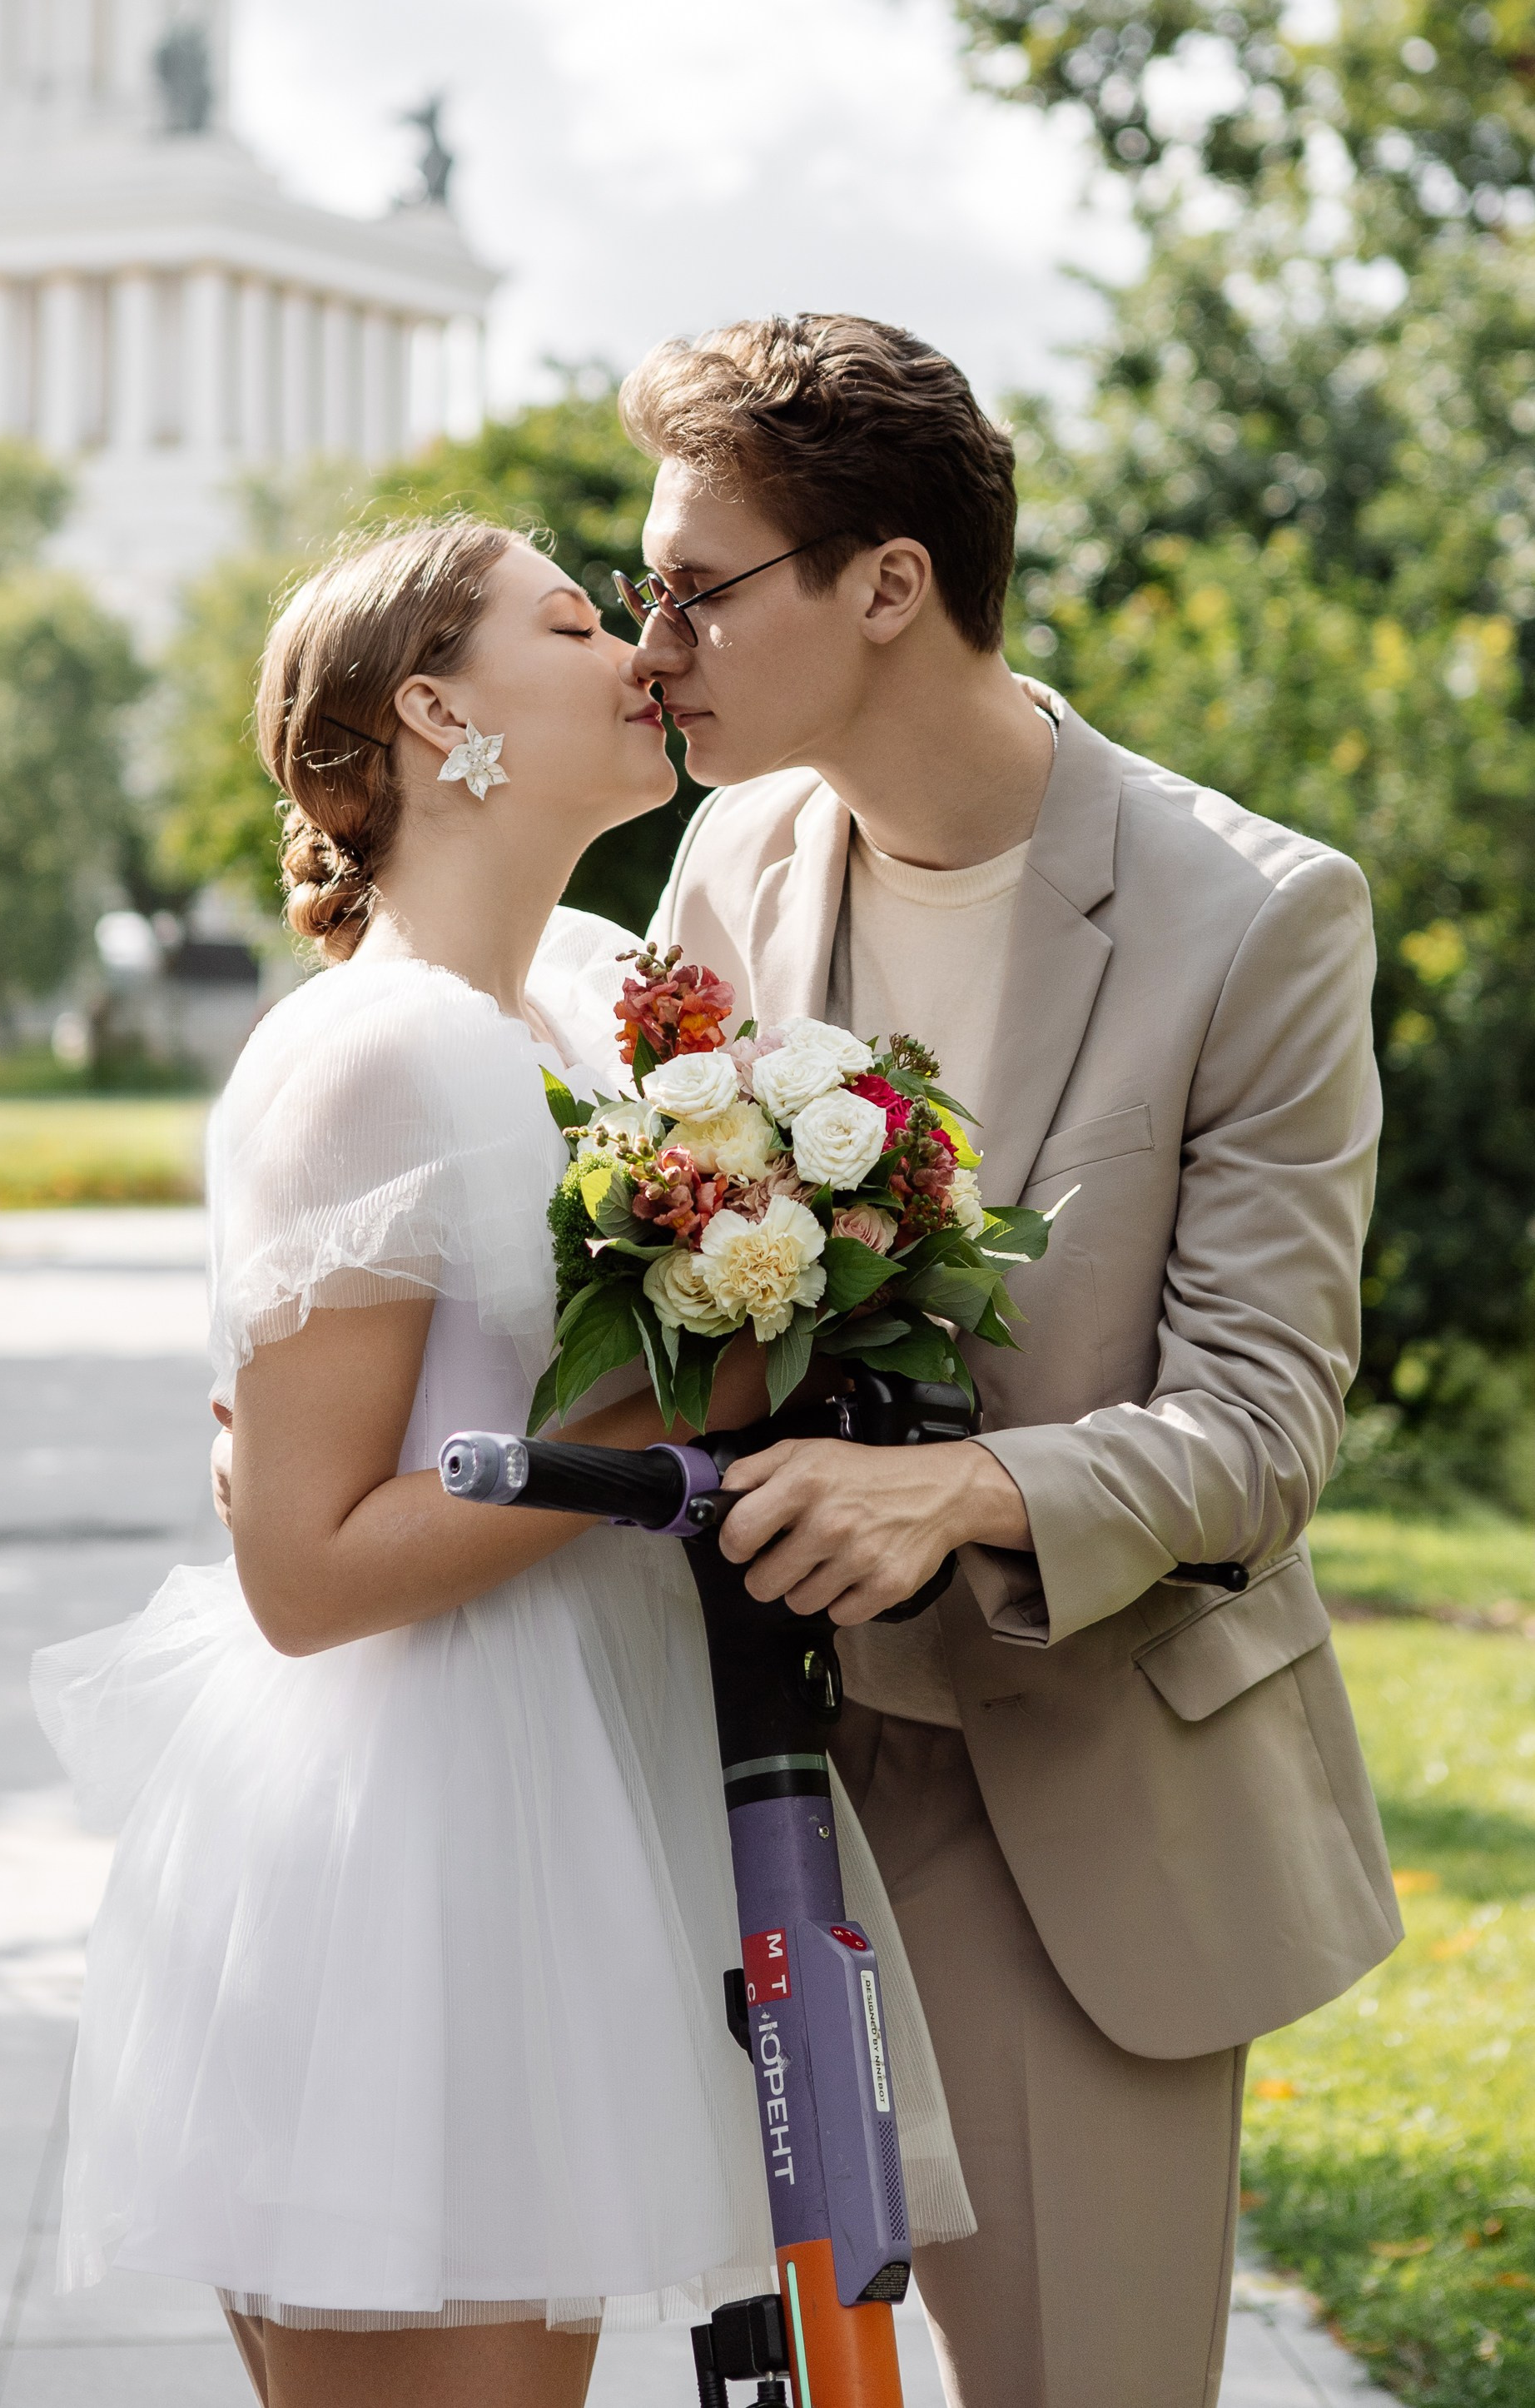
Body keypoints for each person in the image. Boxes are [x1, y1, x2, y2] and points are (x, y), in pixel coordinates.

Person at [35, 518, 968, 2408]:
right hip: (417, 1838)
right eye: (570, 615)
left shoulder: (599, 996)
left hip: (606, 1786)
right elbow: (304, 1572)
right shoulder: (366, 1058)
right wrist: (665, 1403)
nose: (634, 636)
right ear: (437, 709)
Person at [618, 313, 1402, 2408]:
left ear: (890, 585)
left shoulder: (1258, 918)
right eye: (642, 587)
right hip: (765, 1752)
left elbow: (1261, 1426)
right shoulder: (729, 863)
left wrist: (958, 1493)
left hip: (1076, 1769)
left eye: (698, 587)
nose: (650, 641)